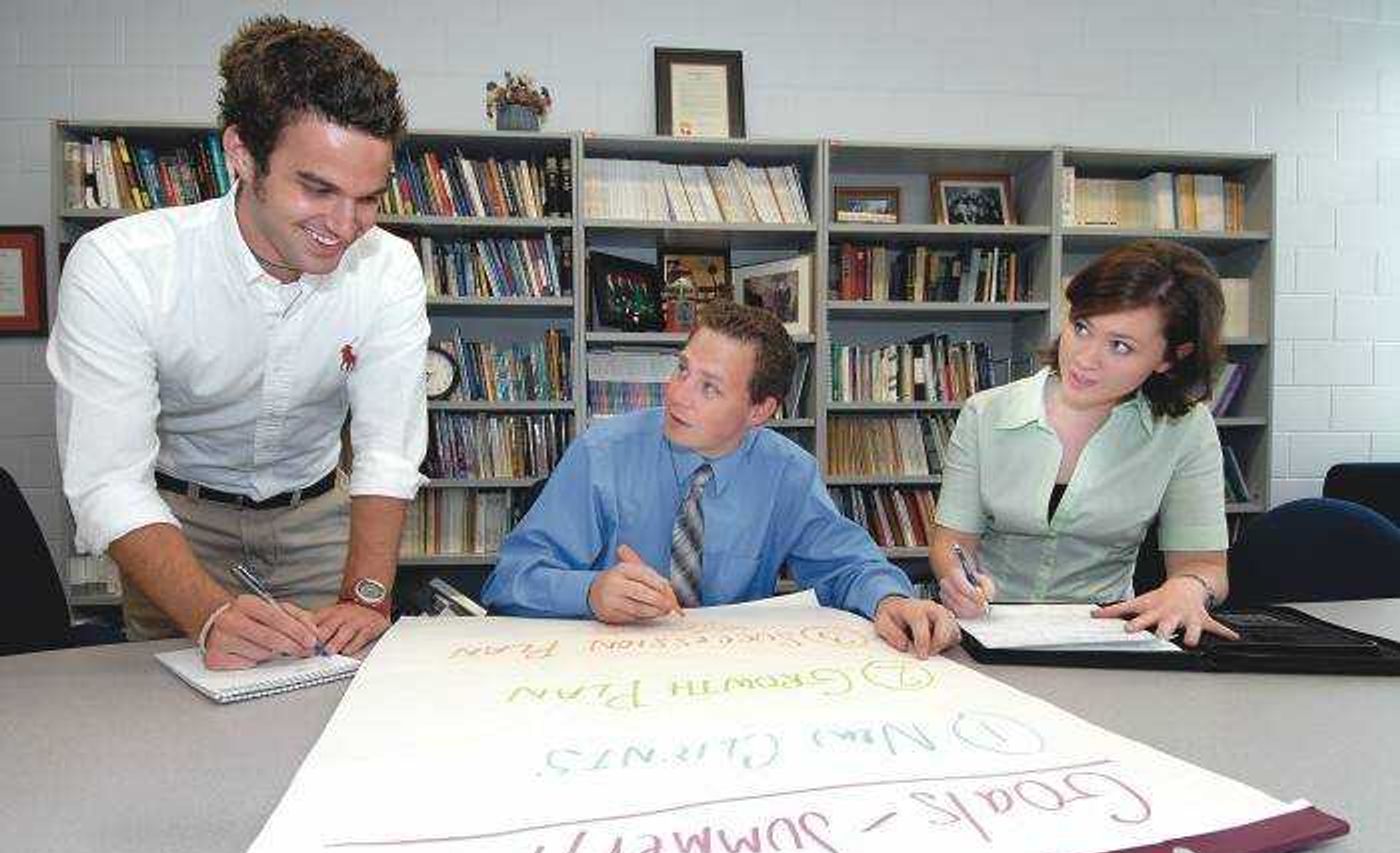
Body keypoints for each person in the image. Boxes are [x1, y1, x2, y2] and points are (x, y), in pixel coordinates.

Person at [48, 16, 429, 669]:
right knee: (186, 712)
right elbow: (109, 479)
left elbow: (387, 453)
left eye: (368, 198)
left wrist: (366, 599)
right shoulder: (122, 266)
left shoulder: (389, 267)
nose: (344, 227)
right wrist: (208, 614)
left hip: (316, 518)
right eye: (317, 188)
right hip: (176, 524)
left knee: (331, 700)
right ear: (242, 154)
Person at [482, 301, 960, 658]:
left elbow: (847, 566)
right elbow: (509, 582)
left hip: (729, 680)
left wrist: (892, 599)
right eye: (682, 370)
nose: (677, 394)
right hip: (608, 672)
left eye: (708, 387)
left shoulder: (787, 473)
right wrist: (590, 592)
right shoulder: (601, 453)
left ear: (759, 410)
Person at [930, 239, 1238, 647]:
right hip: (986, 634)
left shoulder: (1185, 429)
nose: (1084, 358)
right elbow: (952, 542)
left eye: (1120, 346)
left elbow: (1204, 564)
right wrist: (957, 580)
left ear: (1170, 358)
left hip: (1109, 637)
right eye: (1081, 327)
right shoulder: (985, 413)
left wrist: (1189, 588)